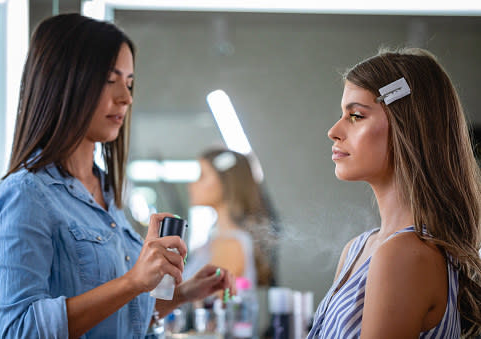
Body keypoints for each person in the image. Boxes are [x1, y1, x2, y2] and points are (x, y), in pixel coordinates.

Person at [0, 13, 234, 339]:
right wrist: (132, 281)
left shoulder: (106, 192)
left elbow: (115, 320)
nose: (126, 98)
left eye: (129, 83)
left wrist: (182, 295)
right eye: (109, 80)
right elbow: (20, 330)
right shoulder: (26, 195)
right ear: (63, 81)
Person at [308, 48, 481, 338]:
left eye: (356, 115)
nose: (334, 131)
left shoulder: (403, 255)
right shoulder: (358, 249)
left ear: (406, 126)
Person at [185, 148, 275, 287]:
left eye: (202, 176)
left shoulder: (230, 245)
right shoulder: (214, 242)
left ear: (225, 181)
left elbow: (212, 301)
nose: (191, 184)